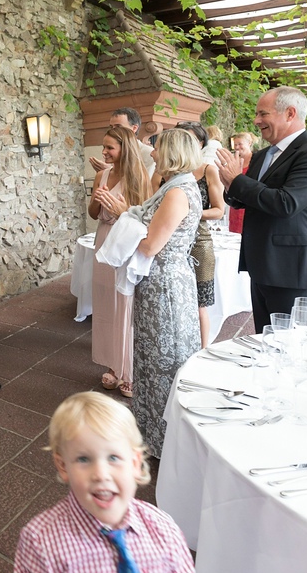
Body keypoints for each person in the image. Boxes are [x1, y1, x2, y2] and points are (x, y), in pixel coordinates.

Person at [98, 129, 202, 458]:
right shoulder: (172, 185)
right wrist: (129, 212)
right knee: (151, 355)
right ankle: (150, 429)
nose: (152, 154)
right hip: (158, 279)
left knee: (163, 358)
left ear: (171, 153)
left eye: (157, 150)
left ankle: (165, 439)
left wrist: (123, 217)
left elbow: (151, 244)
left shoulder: (177, 193)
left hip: (166, 285)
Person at [13, 391, 194, 573]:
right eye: (83, 459)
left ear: (135, 464)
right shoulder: (40, 542)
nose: (101, 474)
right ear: (63, 466)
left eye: (113, 457)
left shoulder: (162, 528)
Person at [216, 87, 307, 331]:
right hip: (262, 263)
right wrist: (229, 185)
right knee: (265, 338)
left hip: (293, 268)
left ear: (290, 113)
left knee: (291, 344)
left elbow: (286, 203)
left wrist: (238, 181)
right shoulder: (262, 155)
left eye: (263, 114)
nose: (256, 120)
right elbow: (245, 200)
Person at [88, 126, 152, 399]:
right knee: (105, 305)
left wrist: (120, 209)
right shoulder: (102, 174)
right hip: (103, 239)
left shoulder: (138, 176)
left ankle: (129, 370)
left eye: (109, 147)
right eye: (104, 147)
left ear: (124, 148)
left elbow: (145, 218)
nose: (104, 152)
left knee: (124, 305)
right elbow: (93, 214)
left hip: (123, 242)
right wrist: (97, 199)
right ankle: (113, 365)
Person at [178, 121, 226, 349]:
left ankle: (202, 351)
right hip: (170, 244)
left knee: (200, 304)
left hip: (199, 242)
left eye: (190, 139)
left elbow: (219, 210)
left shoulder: (208, 170)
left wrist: (187, 214)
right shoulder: (164, 171)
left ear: (201, 143)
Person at [90, 107, 155, 179]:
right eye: (111, 127)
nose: (113, 130)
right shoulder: (110, 151)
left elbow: (146, 184)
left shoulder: (148, 153)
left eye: (118, 127)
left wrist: (111, 171)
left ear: (134, 128)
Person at [227, 132, 255, 234]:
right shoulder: (234, 161)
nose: (237, 147)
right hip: (235, 204)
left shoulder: (256, 160)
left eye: (240, 144)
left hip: (249, 203)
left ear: (249, 143)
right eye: (235, 144)